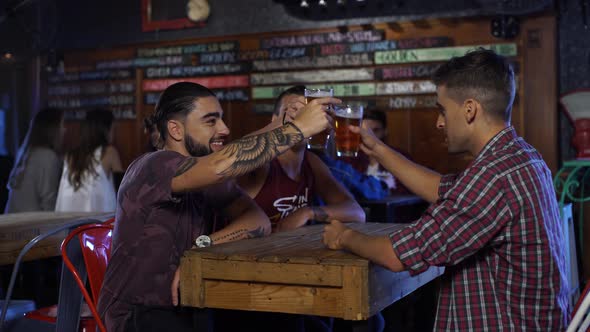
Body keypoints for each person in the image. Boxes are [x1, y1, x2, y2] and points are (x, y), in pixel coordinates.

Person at [322, 49, 569, 331]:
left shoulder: (492, 177)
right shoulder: (520, 156)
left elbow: (397, 254)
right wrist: (377, 148)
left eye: (442, 110)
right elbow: (444, 189)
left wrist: (343, 236)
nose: (439, 122)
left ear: (469, 109)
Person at [97, 82, 336, 332]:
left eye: (221, 119)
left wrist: (202, 247)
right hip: (136, 315)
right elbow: (219, 166)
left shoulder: (205, 179)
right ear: (176, 130)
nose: (225, 128)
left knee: (288, 321)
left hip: (190, 303)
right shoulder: (154, 166)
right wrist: (297, 130)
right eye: (211, 121)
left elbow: (258, 220)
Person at [238, 85, 365, 232]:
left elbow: (357, 213)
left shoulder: (311, 162)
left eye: (308, 114)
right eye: (293, 112)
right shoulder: (263, 161)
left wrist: (308, 213)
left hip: (291, 252)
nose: (303, 119)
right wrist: (290, 126)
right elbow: (238, 150)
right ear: (274, 120)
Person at [55, 109, 122, 212]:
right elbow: (122, 189)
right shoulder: (109, 152)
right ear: (105, 130)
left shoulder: (70, 155)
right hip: (98, 221)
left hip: (68, 220)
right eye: (113, 129)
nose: (113, 134)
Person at [5, 107, 65, 213]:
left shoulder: (24, 152)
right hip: (30, 225)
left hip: (13, 222)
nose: (64, 130)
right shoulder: (48, 157)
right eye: (62, 125)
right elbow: (49, 203)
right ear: (52, 129)